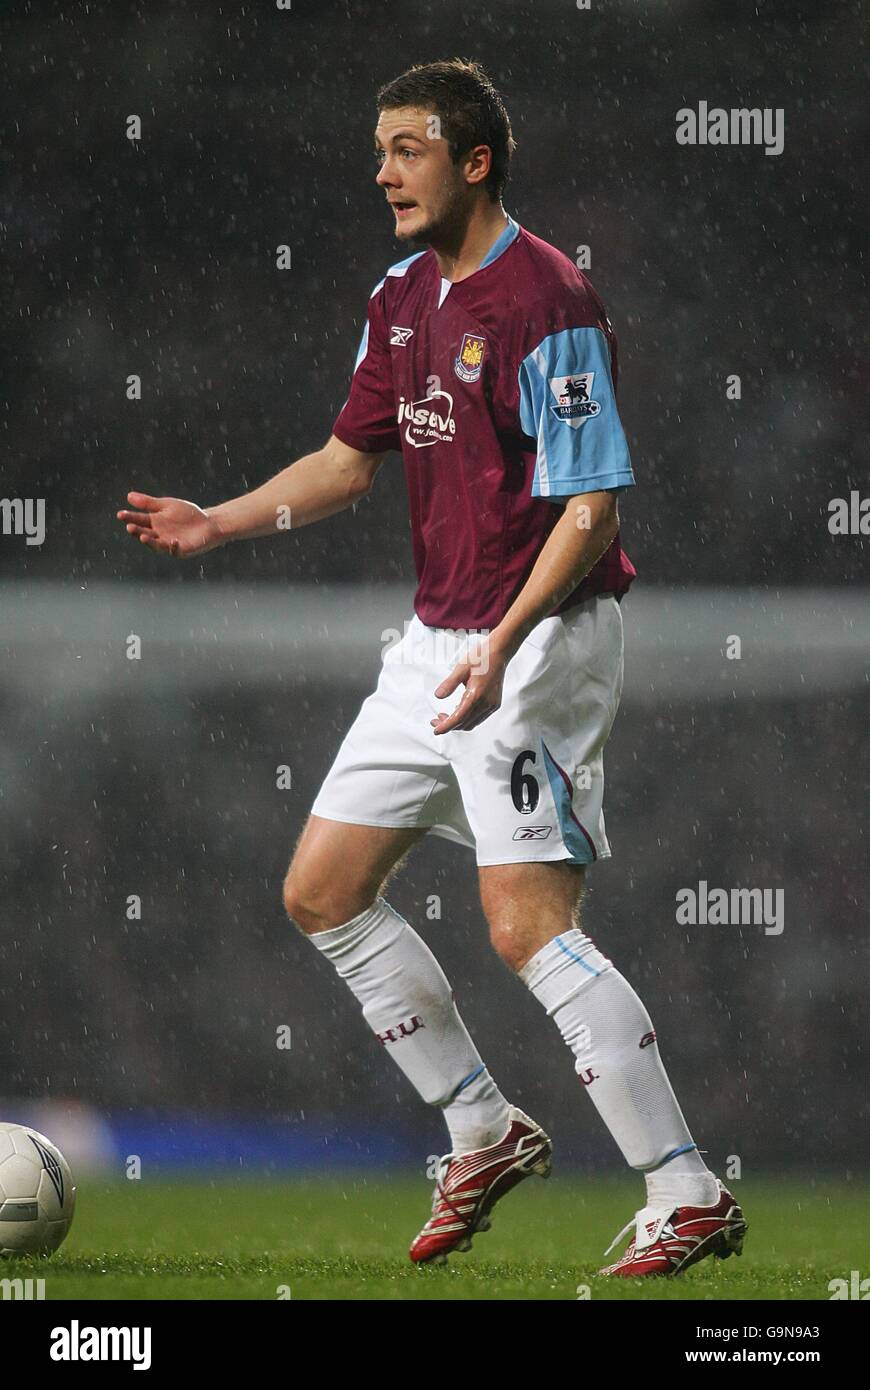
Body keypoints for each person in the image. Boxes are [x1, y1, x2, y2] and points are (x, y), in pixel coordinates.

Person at [117, 58, 747, 1278]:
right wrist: (219, 520)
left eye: (408, 147)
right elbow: (351, 460)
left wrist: (504, 651)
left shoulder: (547, 299)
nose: (382, 170)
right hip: (437, 640)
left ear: (475, 161)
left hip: (544, 633)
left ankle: (687, 1189)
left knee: (524, 926)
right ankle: (479, 1124)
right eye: (379, 147)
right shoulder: (402, 296)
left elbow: (592, 514)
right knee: (321, 890)